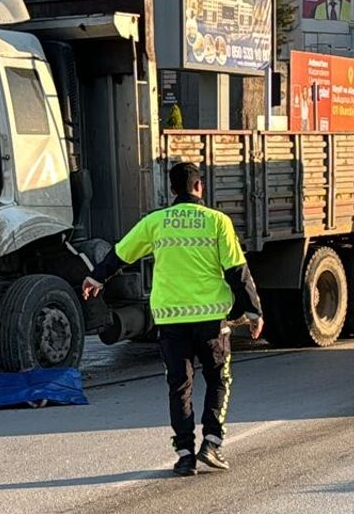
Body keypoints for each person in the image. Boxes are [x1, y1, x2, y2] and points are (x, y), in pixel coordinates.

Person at [82, 162, 263, 477]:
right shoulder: (217, 221)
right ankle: (211, 443)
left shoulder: (156, 222)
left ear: (172, 190)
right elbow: (237, 270)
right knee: (219, 379)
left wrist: (96, 278)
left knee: (179, 385)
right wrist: (253, 311)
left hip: (170, 321)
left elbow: (121, 253)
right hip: (211, 320)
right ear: (199, 187)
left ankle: (184, 455)